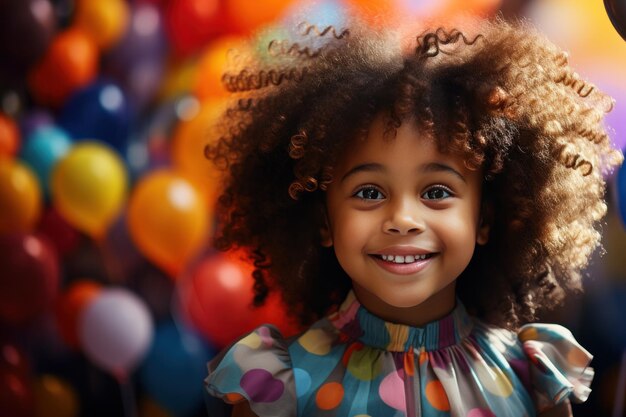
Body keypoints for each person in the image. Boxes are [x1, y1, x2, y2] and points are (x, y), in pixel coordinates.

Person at [202, 16, 623, 417]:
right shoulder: (284, 384)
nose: (403, 218)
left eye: (436, 192)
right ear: (325, 222)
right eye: (369, 192)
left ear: (484, 219)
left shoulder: (531, 376)